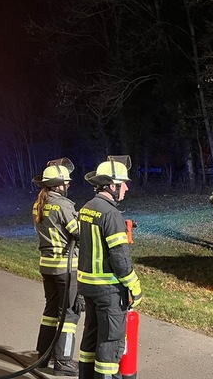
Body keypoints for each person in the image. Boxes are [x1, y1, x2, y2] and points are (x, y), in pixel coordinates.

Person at [77, 156, 143, 379]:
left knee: (91, 337)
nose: (126, 187)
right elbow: (120, 260)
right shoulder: (111, 214)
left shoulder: (87, 208)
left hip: (88, 286)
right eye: (123, 183)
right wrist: (135, 287)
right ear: (111, 185)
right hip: (109, 289)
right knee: (111, 341)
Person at [32, 158, 81, 377]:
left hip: (47, 266)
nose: (68, 186)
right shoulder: (63, 205)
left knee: (51, 311)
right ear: (59, 185)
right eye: (66, 183)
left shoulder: (39, 203)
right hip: (65, 268)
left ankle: (44, 355)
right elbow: (78, 233)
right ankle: (63, 361)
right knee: (68, 314)